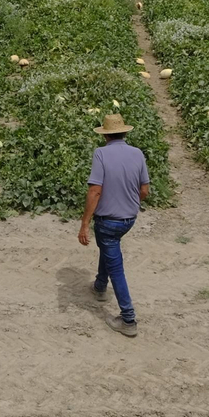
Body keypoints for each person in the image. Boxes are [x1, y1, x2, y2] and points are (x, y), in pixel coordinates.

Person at [78, 114, 151, 337]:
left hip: (108, 220)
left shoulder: (101, 154)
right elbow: (145, 190)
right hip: (129, 219)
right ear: (125, 132)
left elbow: (95, 191)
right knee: (109, 247)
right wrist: (129, 205)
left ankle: (128, 319)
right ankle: (100, 286)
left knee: (115, 263)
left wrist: (84, 223)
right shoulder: (137, 153)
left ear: (106, 135)